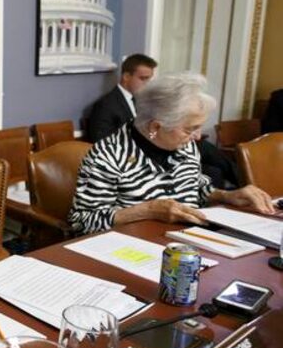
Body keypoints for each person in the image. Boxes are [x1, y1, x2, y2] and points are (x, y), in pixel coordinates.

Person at [68, 72, 275, 235]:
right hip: (132, 249)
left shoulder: (184, 145)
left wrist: (227, 195)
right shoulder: (108, 156)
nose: (197, 137)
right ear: (156, 127)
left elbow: (194, 187)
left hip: (189, 241)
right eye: (189, 129)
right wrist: (147, 210)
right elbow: (82, 222)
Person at [86, 53, 157, 143]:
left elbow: (150, 133)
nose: (148, 84)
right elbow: (101, 143)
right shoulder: (105, 106)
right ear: (126, 77)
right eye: (143, 79)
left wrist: (153, 139)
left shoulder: (140, 101)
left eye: (149, 79)